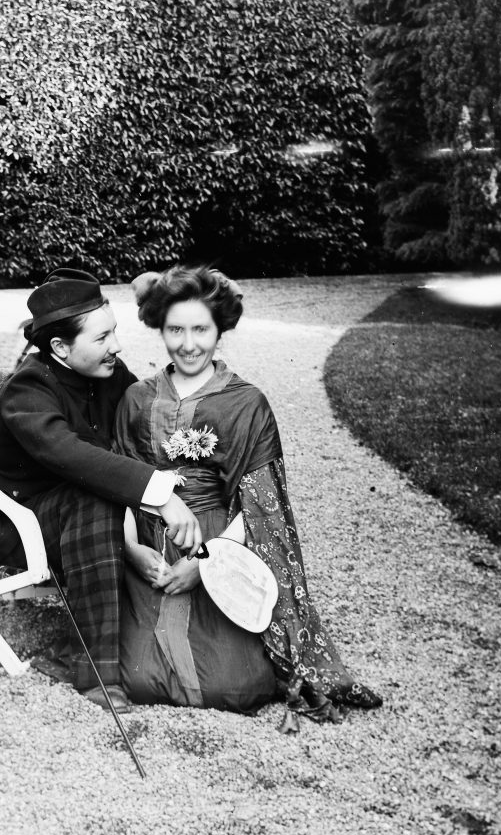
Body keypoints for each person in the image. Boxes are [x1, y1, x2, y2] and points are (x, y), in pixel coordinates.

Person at [113, 265, 383, 732]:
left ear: (220, 331)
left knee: (232, 687)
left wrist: (202, 562)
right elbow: (119, 483)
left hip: (221, 544)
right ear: (160, 329)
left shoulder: (246, 403)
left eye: (201, 329)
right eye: (175, 329)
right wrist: (133, 550)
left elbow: (259, 505)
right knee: (134, 677)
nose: (188, 343)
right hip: (146, 540)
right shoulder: (137, 398)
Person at [0, 268, 203, 713]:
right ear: (59, 348)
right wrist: (159, 496)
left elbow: (144, 431)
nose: (116, 346)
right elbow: (73, 458)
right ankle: (94, 670)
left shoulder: (108, 373)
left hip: (93, 524)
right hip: (21, 527)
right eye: (101, 338)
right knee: (95, 494)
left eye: (114, 332)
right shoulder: (28, 389)